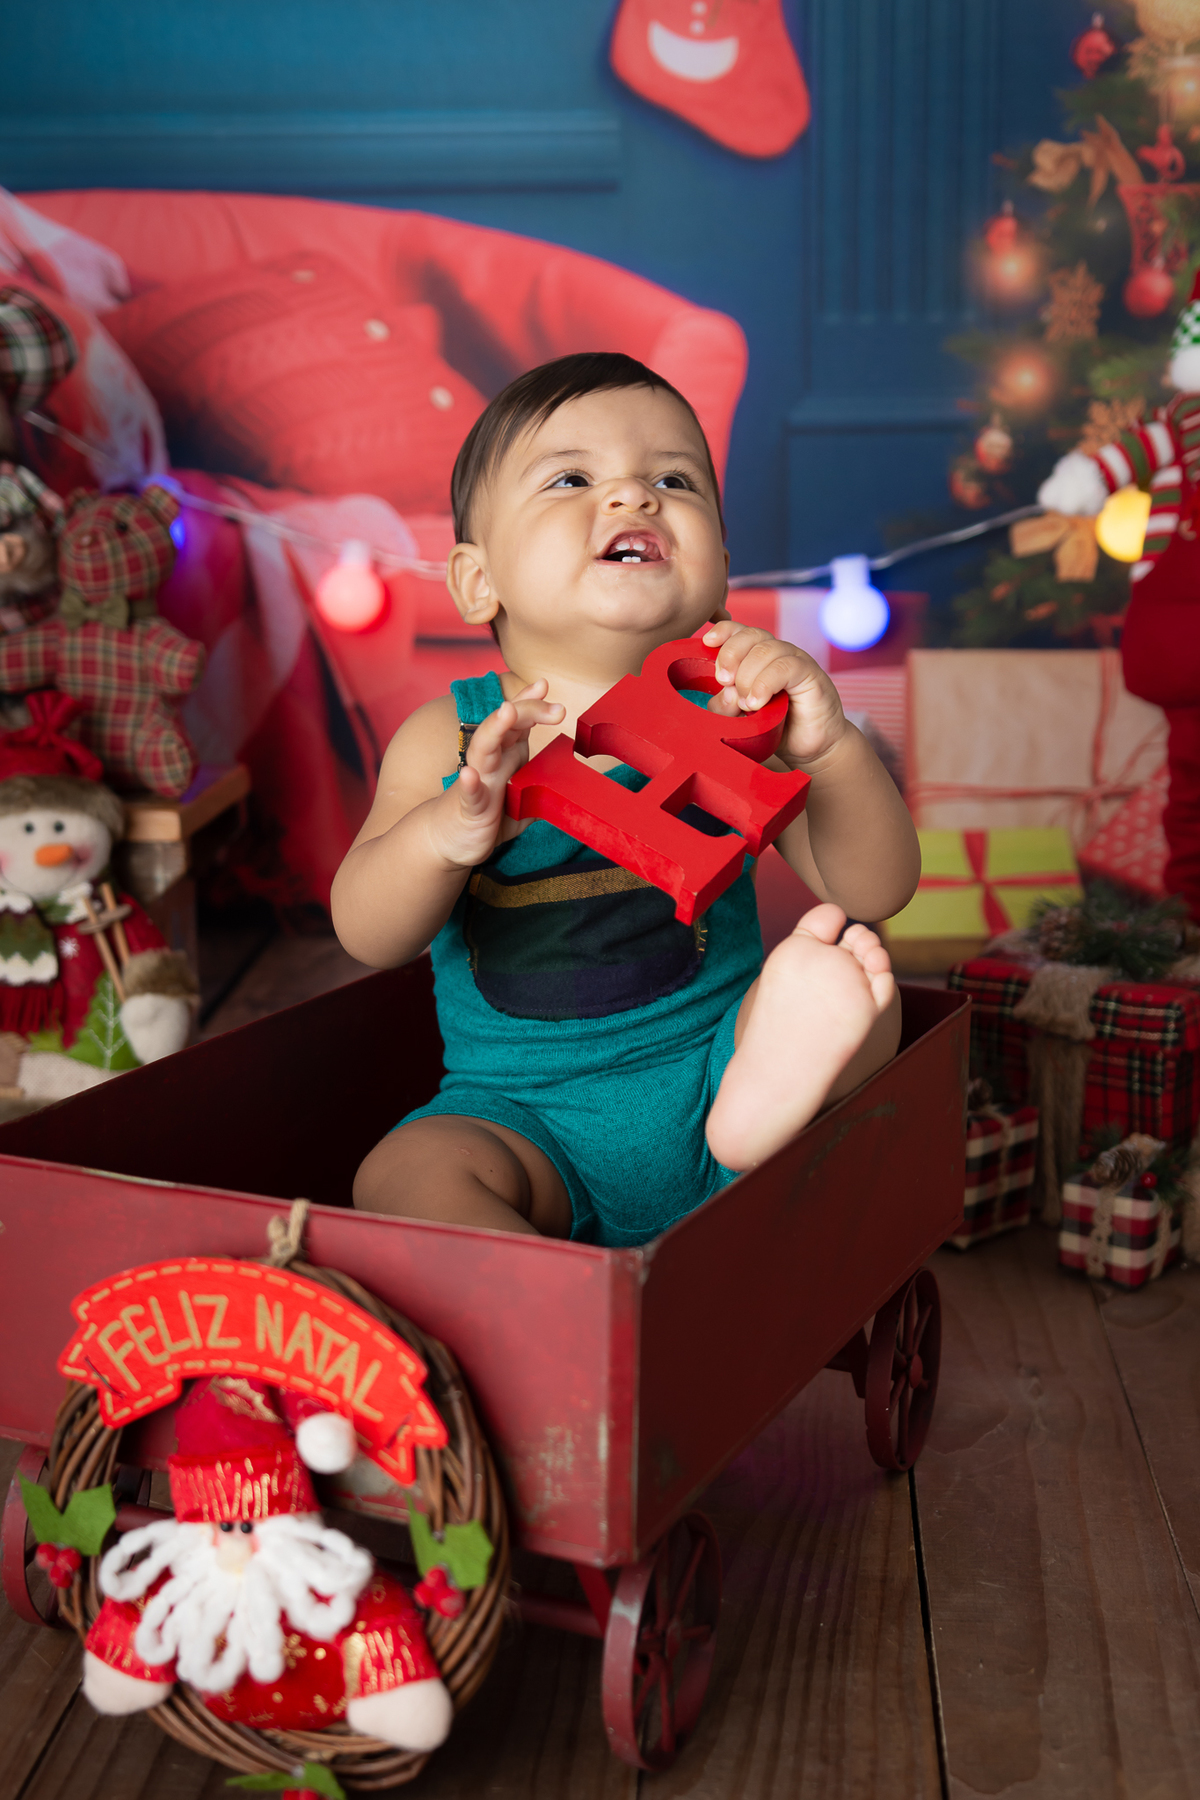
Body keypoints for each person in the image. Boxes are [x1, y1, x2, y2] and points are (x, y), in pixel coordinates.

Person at [331, 352, 920, 1246]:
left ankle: (761, 1096)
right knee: (402, 1171)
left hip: (721, 1066)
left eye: (673, 479)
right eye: (572, 477)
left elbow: (875, 887)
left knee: (864, 986)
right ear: (476, 580)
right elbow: (369, 933)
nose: (634, 499)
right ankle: (533, 1288)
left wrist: (826, 744)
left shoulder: (733, 714)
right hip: (525, 1119)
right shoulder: (450, 740)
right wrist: (447, 833)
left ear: (719, 565)